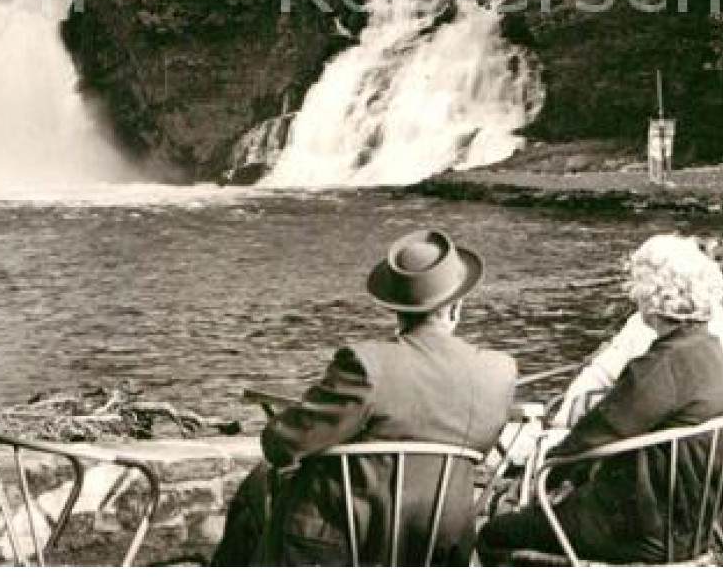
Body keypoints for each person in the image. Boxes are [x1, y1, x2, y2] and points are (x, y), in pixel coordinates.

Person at [212, 230, 516, 566]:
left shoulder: (366, 364)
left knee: (258, 484)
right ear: (457, 307)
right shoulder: (499, 372)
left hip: (343, 545)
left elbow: (280, 445)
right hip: (439, 546)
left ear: (395, 309)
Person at [478, 235, 723, 565]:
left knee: (496, 534)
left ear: (652, 297)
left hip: (640, 530)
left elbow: (594, 434)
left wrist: (541, 478)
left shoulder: (660, 366)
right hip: (694, 526)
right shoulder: (710, 351)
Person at [551, 235, 723, 425]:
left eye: (639, 289)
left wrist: (560, 428)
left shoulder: (660, 361)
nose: (634, 296)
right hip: (696, 448)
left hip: (645, 450)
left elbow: (607, 421)